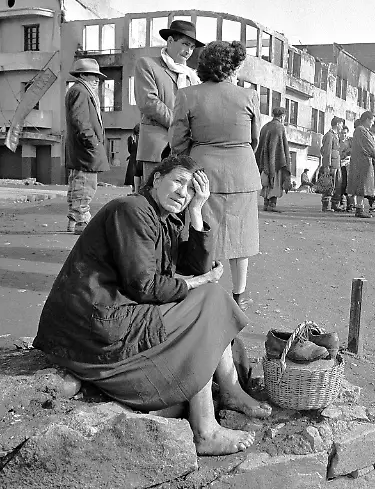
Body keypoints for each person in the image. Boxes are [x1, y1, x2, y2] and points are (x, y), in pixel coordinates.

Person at [33, 155, 270, 456]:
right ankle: (206, 428)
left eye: (191, 189)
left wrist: (197, 210)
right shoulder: (131, 210)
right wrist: (198, 282)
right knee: (207, 302)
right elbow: (143, 285)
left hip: (115, 313)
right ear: (157, 179)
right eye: (178, 182)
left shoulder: (164, 217)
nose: (183, 193)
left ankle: (230, 391)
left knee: (208, 300)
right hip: (94, 323)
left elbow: (194, 267)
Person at [170, 40, 260, 311]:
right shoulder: (249, 96)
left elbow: (177, 142)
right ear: (231, 66)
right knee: (241, 238)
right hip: (242, 174)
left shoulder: (187, 95)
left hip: (203, 173)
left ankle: (205, 292)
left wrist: (197, 154)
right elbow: (254, 138)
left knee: (203, 233)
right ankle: (239, 295)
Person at [135, 19, 203, 180]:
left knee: (180, 194)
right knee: (153, 192)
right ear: (170, 41)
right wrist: (180, 126)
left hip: (185, 150)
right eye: (185, 44)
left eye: (192, 47)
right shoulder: (147, 64)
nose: (188, 51)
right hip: (158, 148)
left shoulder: (192, 76)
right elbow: (149, 102)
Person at [64, 58, 110, 234]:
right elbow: (80, 121)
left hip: (82, 147)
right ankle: (80, 221)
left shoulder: (78, 90)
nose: (97, 79)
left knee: (79, 183)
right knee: (85, 185)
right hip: (85, 149)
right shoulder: (81, 91)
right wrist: (93, 142)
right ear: (82, 75)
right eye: (92, 75)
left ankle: (74, 220)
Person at [255, 107, 291, 213]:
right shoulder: (280, 127)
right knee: (275, 183)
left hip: (265, 161)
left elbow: (260, 146)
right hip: (277, 161)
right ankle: (272, 204)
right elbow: (282, 147)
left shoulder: (265, 127)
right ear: (282, 116)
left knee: (266, 182)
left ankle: (266, 204)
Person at [347, 111, 375, 219]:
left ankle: (359, 208)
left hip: (361, 161)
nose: (372, 123)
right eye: (372, 121)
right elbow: (369, 146)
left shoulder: (361, 130)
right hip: (361, 162)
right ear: (367, 119)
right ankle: (359, 209)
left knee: (361, 185)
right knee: (361, 185)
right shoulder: (361, 130)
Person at [320, 116, 344, 212]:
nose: (342, 127)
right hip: (331, 165)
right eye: (341, 124)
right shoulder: (329, 135)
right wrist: (327, 165)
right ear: (337, 124)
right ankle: (326, 205)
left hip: (337, 164)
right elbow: (327, 151)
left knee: (337, 185)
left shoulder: (336, 135)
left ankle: (335, 204)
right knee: (328, 185)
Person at [338, 124, 353, 212]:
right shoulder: (337, 142)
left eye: (345, 133)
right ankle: (342, 203)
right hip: (339, 165)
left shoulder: (350, 142)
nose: (343, 135)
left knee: (348, 184)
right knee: (340, 184)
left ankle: (350, 204)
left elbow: (353, 151)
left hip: (348, 165)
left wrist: (347, 153)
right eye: (342, 133)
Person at [124, 124, 142, 193]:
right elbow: (130, 149)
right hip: (136, 157)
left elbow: (130, 149)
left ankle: (135, 190)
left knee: (135, 173)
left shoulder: (132, 138)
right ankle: (135, 189)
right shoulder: (132, 138)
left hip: (135, 157)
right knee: (134, 173)